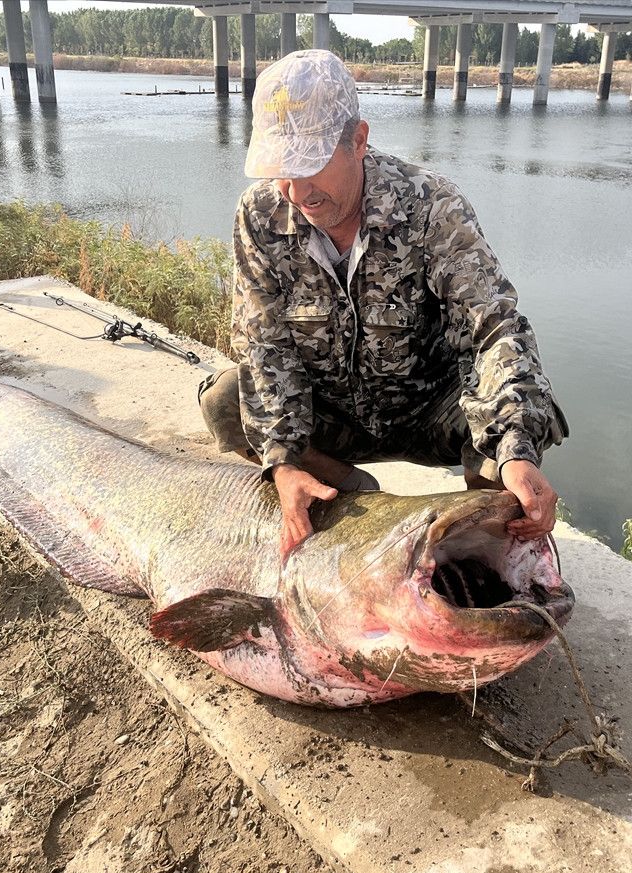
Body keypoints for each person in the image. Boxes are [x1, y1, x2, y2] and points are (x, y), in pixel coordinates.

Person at [199, 49, 568, 560]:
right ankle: (341, 489)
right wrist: (283, 464)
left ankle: (479, 541)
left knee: (523, 414)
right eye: (282, 168)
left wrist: (514, 450)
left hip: (428, 412)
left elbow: (495, 330)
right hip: (329, 415)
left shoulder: (431, 205)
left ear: (359, 140)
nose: (298, 190)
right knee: (224, 400)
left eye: (311, 165)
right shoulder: (261, 216)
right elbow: (264, 348)